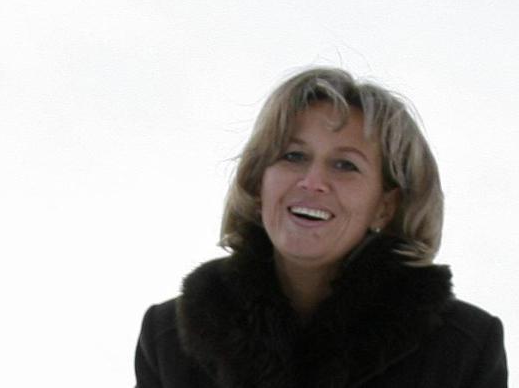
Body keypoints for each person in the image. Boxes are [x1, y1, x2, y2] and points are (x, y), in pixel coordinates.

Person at [134, 68, 508, 387]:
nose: (313, 182)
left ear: (385, 207)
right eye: (293, 156)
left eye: (345, 165)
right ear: (259, 183)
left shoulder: (464, 349)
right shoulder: (168, 339)